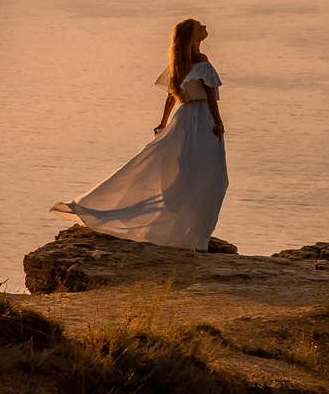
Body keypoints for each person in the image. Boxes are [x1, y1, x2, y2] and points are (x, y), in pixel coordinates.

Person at [51, 17, 227, 251]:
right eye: (199, 27)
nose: (205, 27)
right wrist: (218, 122)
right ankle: (193, 237)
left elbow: (171, 96)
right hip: (202, 120)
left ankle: (188, 233)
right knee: (211, 177)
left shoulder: (181, 63)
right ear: (192, 37)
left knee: (189, 174)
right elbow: (209, 95)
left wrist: (163, 122)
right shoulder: (202, 62)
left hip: (184, 119)